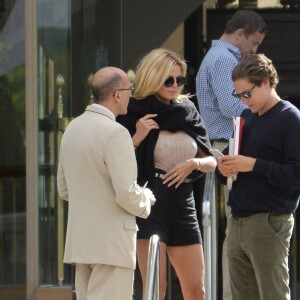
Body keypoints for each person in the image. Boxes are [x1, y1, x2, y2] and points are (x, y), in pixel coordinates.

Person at [118, 48, 217, 300]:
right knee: (155, 289)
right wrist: (138, 136)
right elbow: (118, 162)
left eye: (179, 80)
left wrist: (192, 164)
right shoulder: (133, 112)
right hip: (150, 202)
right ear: (153, 78)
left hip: (184, 202)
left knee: (197, 290)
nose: (175, 86)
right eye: (168, 80)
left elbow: (212, 161)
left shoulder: (188, 111)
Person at [57, 66, 156, 300]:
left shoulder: (72, 128)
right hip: (112, 244)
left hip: (81, 244)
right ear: (117, 95)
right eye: (129, 89)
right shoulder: (116, 132)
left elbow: (63, 189)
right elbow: (126, 193)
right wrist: (146, 200)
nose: (131, 94)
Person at [195, 9, 267, 299]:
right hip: (228, 144)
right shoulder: (225, 59)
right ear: (240, 33)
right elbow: (232, 106)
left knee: (235, 224)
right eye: (254, 43)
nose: (254, 50)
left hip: (224, 143)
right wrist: (268, 114)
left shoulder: (219, 58)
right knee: (238, 224)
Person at [216, 53, 300, 300]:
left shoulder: (290, 118)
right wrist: (224, 168)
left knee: (273, 294)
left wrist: (253, 165)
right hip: (238, 220)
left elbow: (296, 174)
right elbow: (229, 160)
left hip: (269, 221)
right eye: (238, 95)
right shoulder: (246, 118)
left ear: (265, 81)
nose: (243, 101)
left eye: (246, 94)